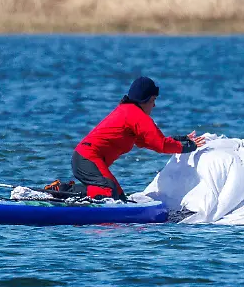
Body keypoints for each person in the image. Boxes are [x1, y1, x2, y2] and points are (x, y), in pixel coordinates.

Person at [72, 76, 207, 200]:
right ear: (145, 100)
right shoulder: (136, 116)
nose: (154, 105)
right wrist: (190, 147)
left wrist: (180, 139)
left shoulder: (128, 111)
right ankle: (63, 190)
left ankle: (65, 192)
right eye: (153, 100)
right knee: (109, 194)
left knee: (118, 197)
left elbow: (150, 141)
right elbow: (161, 145)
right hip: (87, 158)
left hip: (85, 159)